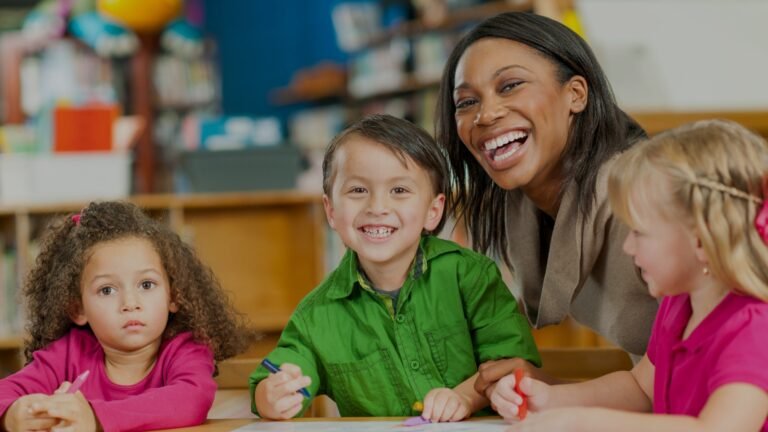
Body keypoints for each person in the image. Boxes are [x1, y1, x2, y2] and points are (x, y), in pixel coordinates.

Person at [250, 114, 540, 421]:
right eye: (358, 191)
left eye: (399, 190)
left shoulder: (471, 277)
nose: (377, 207)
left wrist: (465, 397)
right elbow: (277, 374)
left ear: (433, 210)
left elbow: (513, 362)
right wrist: (271, 394)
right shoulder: (316, 316)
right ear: (331, 211)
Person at [492, 119, 768, 431]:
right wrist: (550, 399)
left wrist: (584, 422)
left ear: (701, 240)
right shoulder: (677, 307)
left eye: (640, 232)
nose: (627, 245)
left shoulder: (754, 329)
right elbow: (639, 389)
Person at [434, 11, 659, 391]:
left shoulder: (646, 196)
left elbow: (695, 367)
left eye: (510, 86)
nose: (485, 114)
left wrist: (553, 392)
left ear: (575, 94)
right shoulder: (524, 213)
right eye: (466, 101)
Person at [0, 201, 257, 432]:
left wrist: (94, 418)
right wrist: (13, 415)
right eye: (107, 290)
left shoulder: (186, 349)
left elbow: (191, 400)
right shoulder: (67, 354)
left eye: (146, 285)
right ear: (77, 309)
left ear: (174, 296)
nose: (130, 304)